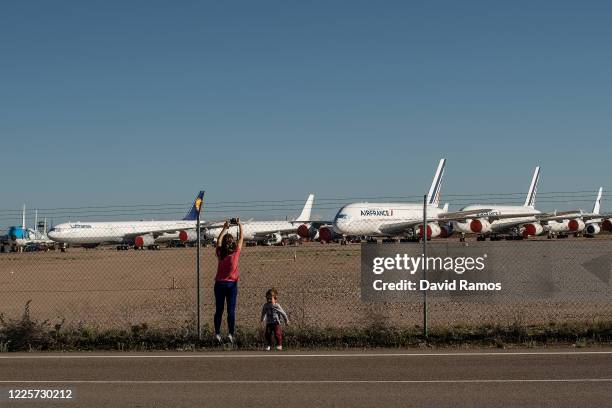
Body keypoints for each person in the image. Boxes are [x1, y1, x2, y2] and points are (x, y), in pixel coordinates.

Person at [214, 218, 244, 344]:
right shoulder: (236, 253)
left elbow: (218, 241)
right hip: (231, 285)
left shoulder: (220, 253)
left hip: (219, 284)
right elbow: (241, 238)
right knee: (230, 311)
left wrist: (224, 228)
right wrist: (240, 225)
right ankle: (231, 334)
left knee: (219, 310)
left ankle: (217, 333)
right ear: (233, 243)